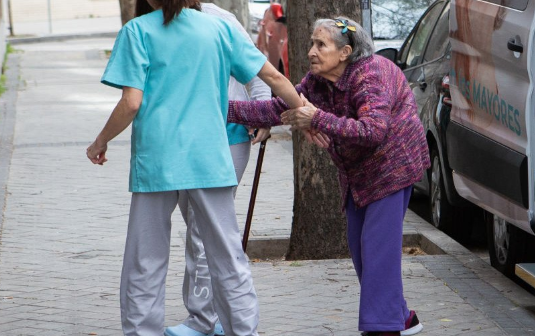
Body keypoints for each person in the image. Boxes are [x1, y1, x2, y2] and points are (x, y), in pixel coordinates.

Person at [85, 1, 303, 335]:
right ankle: (244, 331)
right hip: (209, 158)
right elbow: (272, 75)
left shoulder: (138, 31)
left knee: (145, 260)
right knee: (227, 256)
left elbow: (131, 102)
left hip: (157, 160)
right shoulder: (220, 28)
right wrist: (307, 111)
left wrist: (100, 141)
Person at [227, 17, 430, 336]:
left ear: (345, 52)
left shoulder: (370, 73)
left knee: (377, 251)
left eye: (321, 44)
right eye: (311, 43)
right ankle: (400, 317)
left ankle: (383, 328)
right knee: (361, 249)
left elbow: (374, 131)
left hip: (393, 167)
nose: (311, 51)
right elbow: (275, 110)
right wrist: (219, 108)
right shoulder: (316, 82)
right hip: (356, 172)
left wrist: (317, 118)